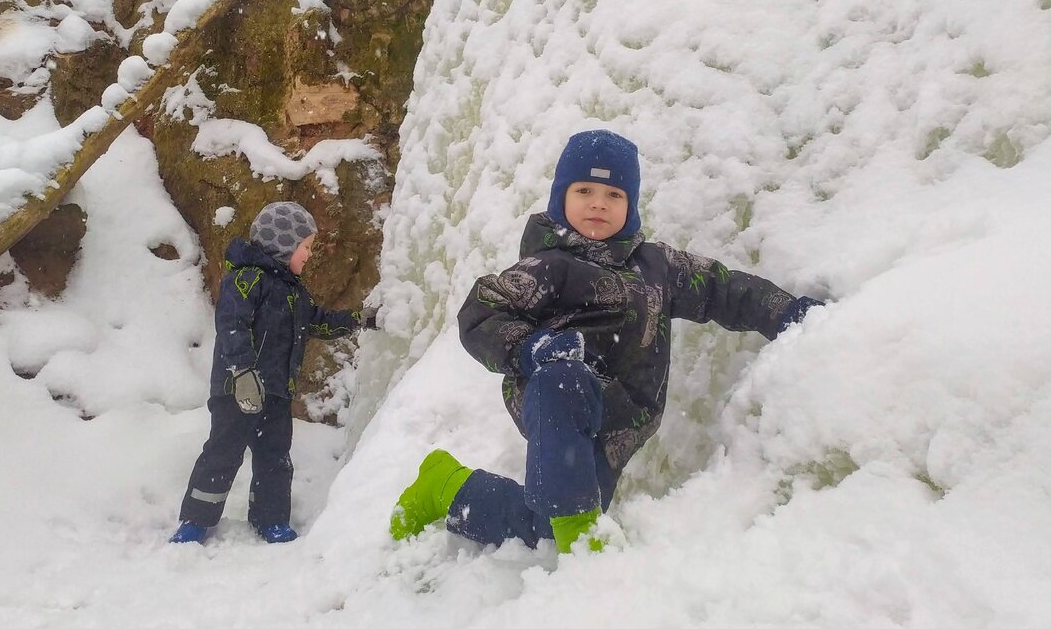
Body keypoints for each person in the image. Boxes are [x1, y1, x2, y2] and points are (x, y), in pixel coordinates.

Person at [389, 130, 823, 555]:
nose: (598, 203)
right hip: (557, 397)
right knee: (566, 388)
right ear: (561, 198)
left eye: (614, 195)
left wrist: (788, 313)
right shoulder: (548, 266)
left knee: (545, 530)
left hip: (622, 419)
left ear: (630, 206)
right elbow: (482, 310)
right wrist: (531, 348)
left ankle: (445, 485)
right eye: (584, 191)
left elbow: (721, 289)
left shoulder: (658, 267)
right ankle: (578, 526)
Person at [170, 201, 372, 544]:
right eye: (306, 246)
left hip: (275, 392)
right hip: (237, 388)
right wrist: (242, 372)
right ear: (284, 244)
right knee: (223, 452)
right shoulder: (246, 279)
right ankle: (195, 520)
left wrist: (358, 319)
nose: (309, 254)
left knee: (275, 457)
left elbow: (318, 322)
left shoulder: (294, 292)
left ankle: (271, 518)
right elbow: (232, 326)